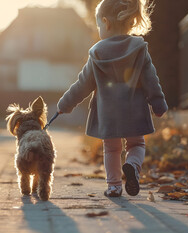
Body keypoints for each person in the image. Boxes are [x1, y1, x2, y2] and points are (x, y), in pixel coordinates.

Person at [57, 0, 168, 197]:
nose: (99, 28)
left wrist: (64, 105)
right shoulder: (140, 49)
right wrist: (158, 103)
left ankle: (114, 186)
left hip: (107, 114)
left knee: (111, 149)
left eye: (99, 24)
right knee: (136, 144)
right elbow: (151, 79)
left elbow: (82, 85)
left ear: (106, 23)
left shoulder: (97, 53)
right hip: (134, 111)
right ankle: (133, 166)